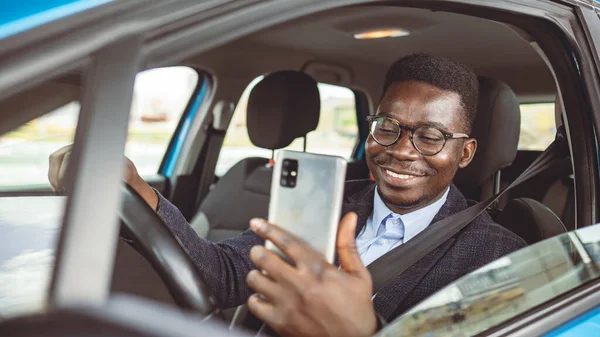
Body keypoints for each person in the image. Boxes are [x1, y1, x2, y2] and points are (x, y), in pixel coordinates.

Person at [49, 53, 526, 336]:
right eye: (389, 127)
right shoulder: (328, 201)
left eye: (430, 136)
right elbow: (223, 275)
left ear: (465, 153)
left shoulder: (503, 257)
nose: (402, 150)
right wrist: (135, 188)